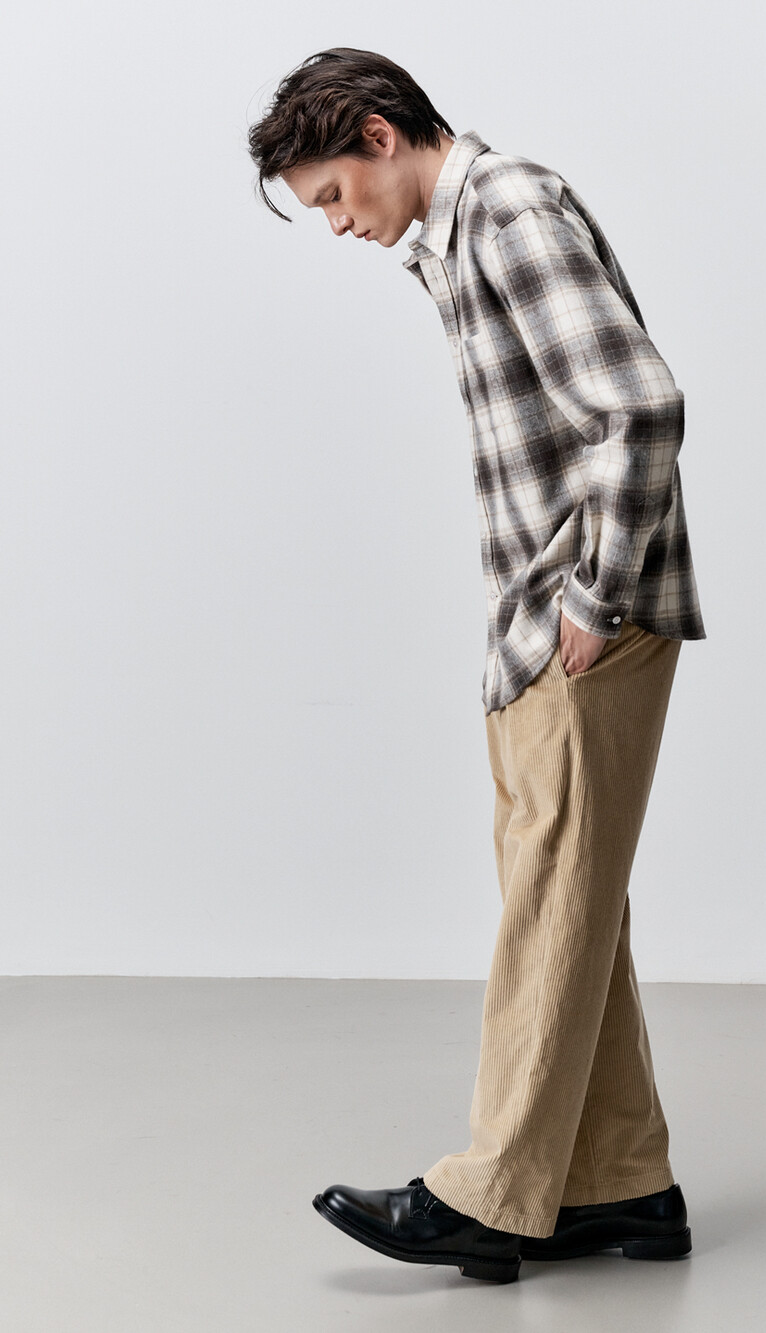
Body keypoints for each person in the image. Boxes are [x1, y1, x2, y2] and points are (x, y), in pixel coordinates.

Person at [247, 47, 707, 1285]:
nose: (338, 226)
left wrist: (594, 597)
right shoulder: (452, 240)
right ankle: (622, 1183)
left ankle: (492, 1196)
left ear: (380, 135)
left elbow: (642, 404)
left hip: (583, 619)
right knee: (568, 900)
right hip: (533, 622)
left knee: (548, 902)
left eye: (333, 195)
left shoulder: (505, 209)